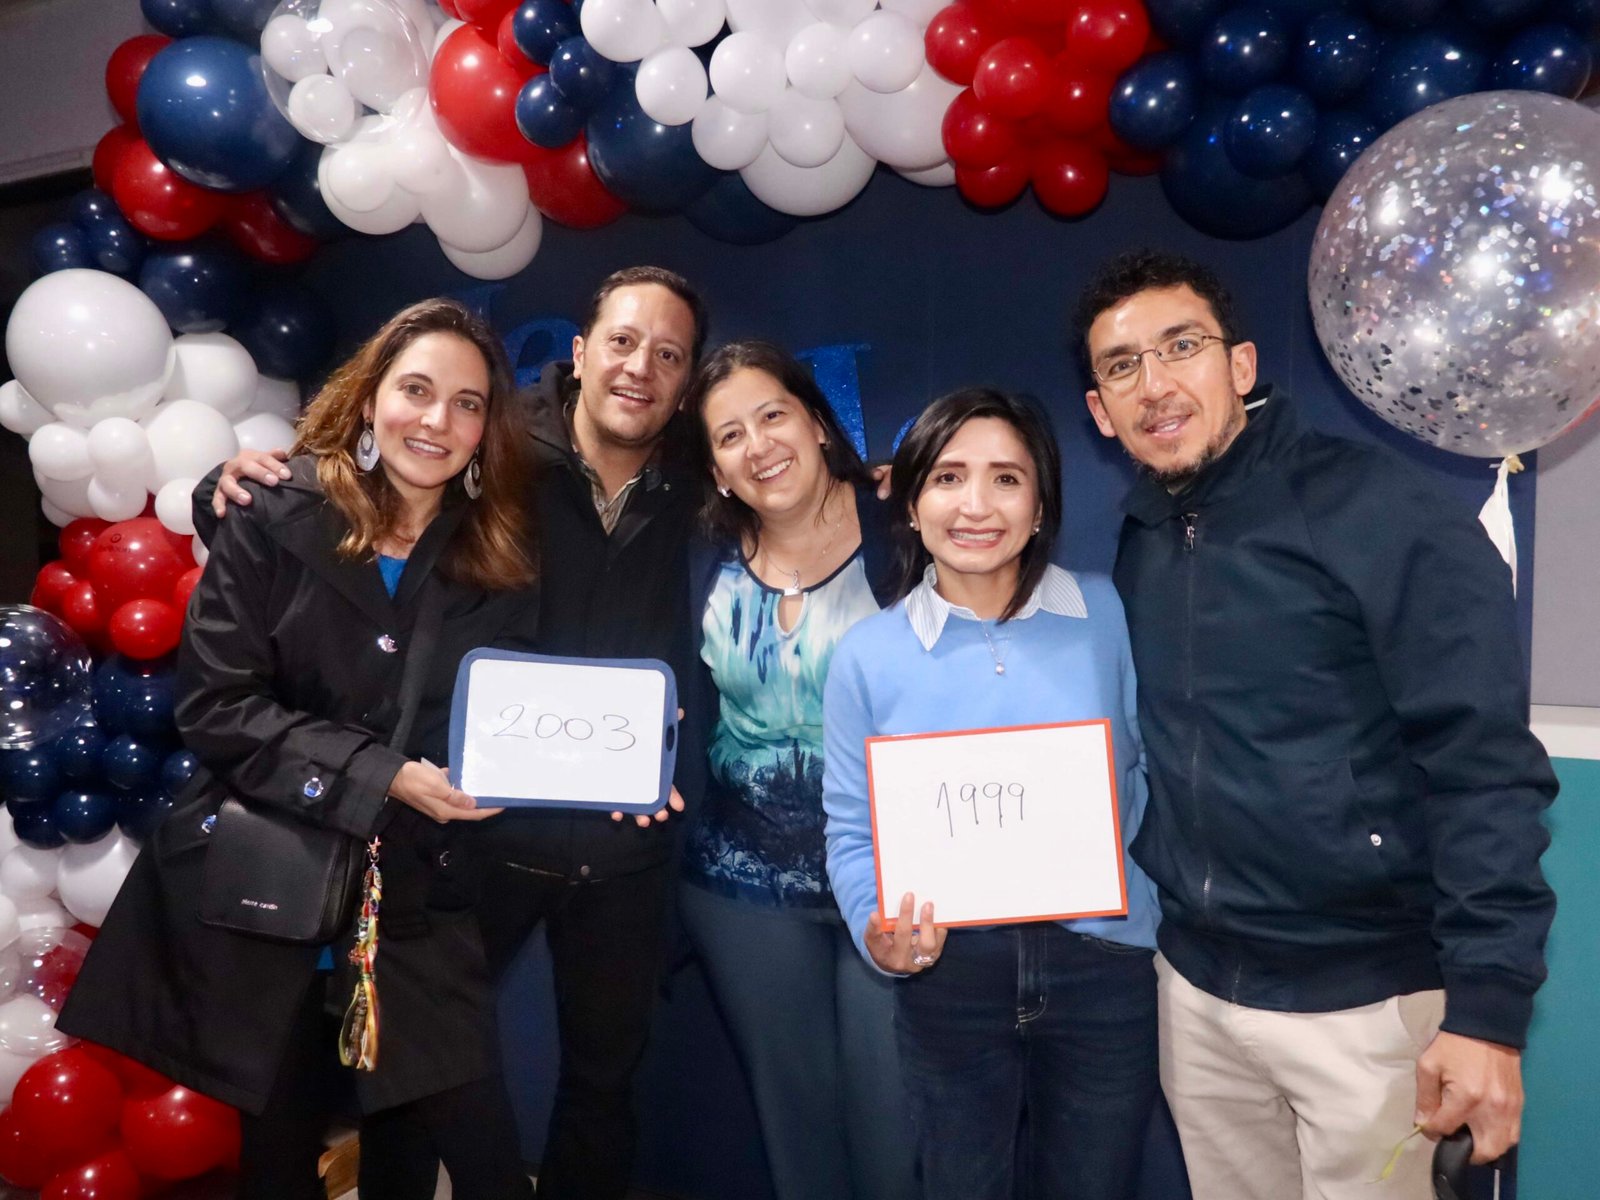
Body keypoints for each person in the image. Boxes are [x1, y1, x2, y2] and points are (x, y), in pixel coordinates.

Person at [208, 266, 707, 1200]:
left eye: (669, 354)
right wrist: (226, 485)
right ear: (581, 350)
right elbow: (235, 676)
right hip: (398, 851)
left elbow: (798, 474)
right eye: (623, 340)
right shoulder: (501, 459)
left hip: (552, 854)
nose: (641, 366)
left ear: (686, 382)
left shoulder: (686, 478)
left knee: (573, 1095)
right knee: (348, 1111)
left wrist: (881, 487)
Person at [1073, 249, 1558, 1199]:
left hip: (1369, 1005)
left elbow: (1483, 767)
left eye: (1181, 346)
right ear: (1099, 409)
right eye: (1122, 365)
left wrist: (1489, 1012)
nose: (1154, 383)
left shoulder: (1379, 509)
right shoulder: (1142, 538)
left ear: (1241, 365)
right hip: (1198, 995)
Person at [58, 298, 541, 1200]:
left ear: (487, 431)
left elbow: (512, 720)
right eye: (417, 390)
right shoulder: (273, 510)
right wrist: (382, 774)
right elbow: (217, 708)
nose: (438, 420)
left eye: (468, 403)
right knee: (279, 1164)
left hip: (411, 908)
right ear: (370, 398)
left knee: (486, 1164)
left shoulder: (497, 555)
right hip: (270, 893)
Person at [822, 388, 1162, 1200]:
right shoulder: (866, 655)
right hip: (949, 975)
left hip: (1104, 968)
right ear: (911, 504)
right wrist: (878, 930)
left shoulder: (1108, 614)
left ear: (1041, 506)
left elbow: (1152, 768)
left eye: (1006, 479)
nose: (976, 505)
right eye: (948, 477)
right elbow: (850, 829)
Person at [678, 340, 915, 1200]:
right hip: (741, 891)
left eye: (772, 415)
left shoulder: (909, 529)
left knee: (896, 1135)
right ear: (716, 469)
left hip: (889, 888)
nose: (758, 445)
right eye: (729, 435)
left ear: (817, 423)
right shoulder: (698, 560)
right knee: (797, 1132)